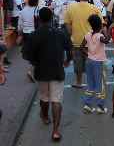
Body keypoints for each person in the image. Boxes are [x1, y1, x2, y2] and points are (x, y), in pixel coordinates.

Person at [28, 7, 72, 142]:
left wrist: (35, 63)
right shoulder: (60, 33)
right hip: (57, 70)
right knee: (56, 100)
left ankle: (45, 116)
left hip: (41, 71)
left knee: (44, 97)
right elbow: (69, 48)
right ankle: (56, 131)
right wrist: (67, 60)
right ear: (52, 17)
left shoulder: (34, 34)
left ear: (39, 19)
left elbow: (28, 55)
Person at [64, 0, 103, 88]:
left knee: (78, 63)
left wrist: (71, 35)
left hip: (76, 41)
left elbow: (67, 25)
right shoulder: (94, 8)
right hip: (92, 41)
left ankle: (79, 82)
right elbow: (101, 25)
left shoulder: (71, 7)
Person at [81, 15, 109, 114]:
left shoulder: (88, 34)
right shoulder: (100, 36)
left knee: (90, 83)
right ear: (100, 25)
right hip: (99, 62)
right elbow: (107, 40)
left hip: (89, 61)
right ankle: (100, 106)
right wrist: (106, 31)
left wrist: (89, 54)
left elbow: (82, 47)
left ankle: (88, 104)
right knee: (100, 84)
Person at [17, 0, 40, 82]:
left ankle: (33, 70)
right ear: (36, 2)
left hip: (26, 33)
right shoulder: (36, 10)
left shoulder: (22, 11)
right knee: (37, 53)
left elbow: (20, 25)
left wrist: (20, 35)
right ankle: (31, 71)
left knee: (31, 53)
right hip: (34, 33)